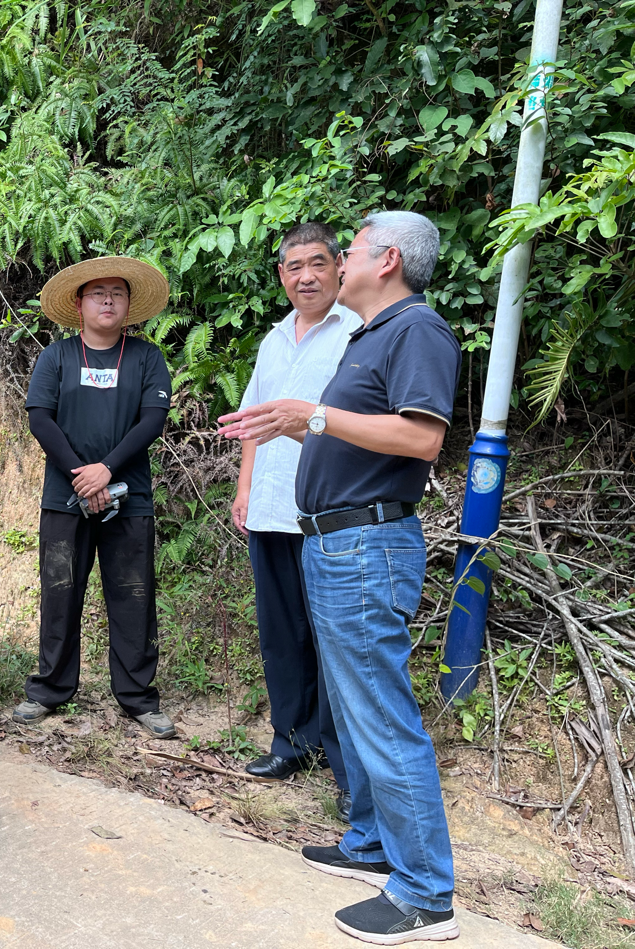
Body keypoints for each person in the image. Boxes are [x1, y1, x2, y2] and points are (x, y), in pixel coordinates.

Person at [218, 211, 461, 944]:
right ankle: (370, 843)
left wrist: (315, 417)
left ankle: (425, 894)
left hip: (366, 547)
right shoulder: (371, 336)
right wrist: (296, 424)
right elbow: (351, 432)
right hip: (334, 544)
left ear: (387, 261)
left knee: (381, 714)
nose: (338, 262)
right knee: (355, 709)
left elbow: (422, 437)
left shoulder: (417, 330)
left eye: (348, 251)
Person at [11, 256, 177, 739]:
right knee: (59, 593)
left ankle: (138, 697)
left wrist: (107, 470)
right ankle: (49, 690)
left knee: (133, 596)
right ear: (79, 303)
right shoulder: (56, 357)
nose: (108, 300)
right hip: (64, 499)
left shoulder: (146, 357)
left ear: (128, 304)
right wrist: (80, 475)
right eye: (98, 293)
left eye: (118, 293)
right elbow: (40, 418)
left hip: (131, 497)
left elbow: (152, 421)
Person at [231, 222, 359, 818]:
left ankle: (344, 763)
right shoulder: (274, 339)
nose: (305, 277)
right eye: (294, 267)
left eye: (317, 264)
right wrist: (245, 489)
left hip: (329, 514)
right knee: (282, 635)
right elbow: (254, 422)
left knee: (334, 642)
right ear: (281, 275)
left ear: (339, 266)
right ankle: (292, 742)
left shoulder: (358, 332)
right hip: (271, 508)